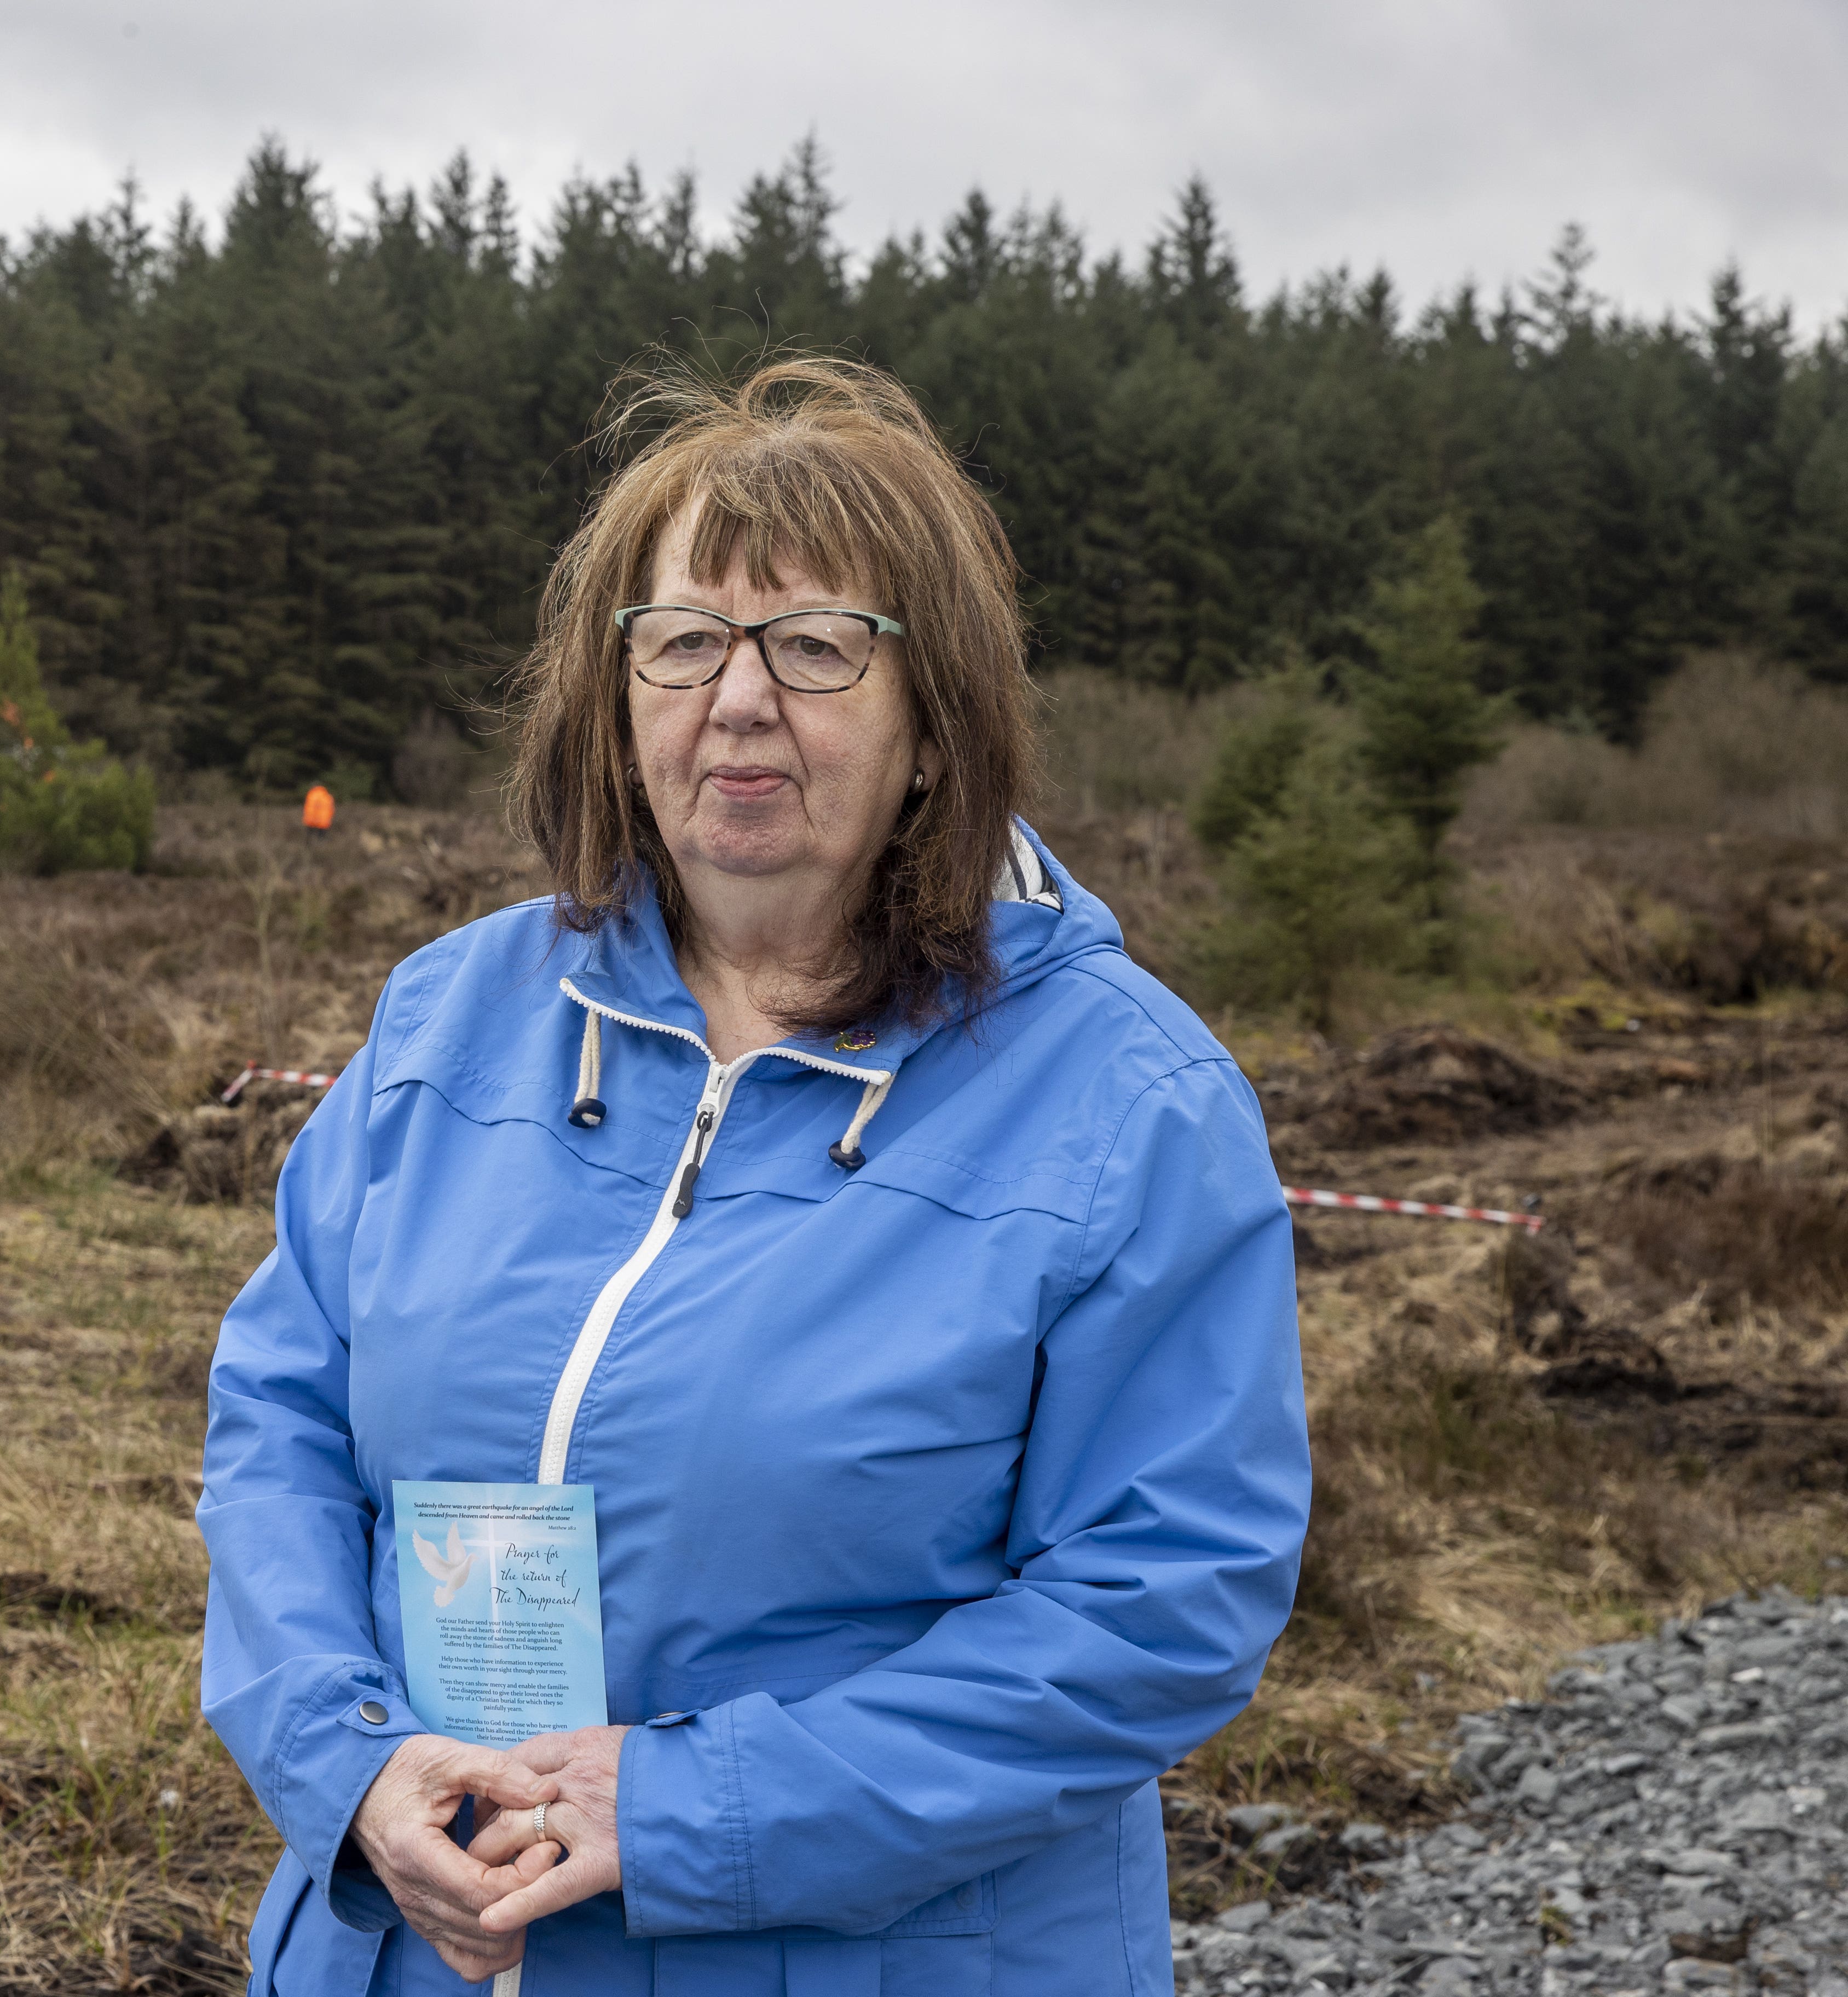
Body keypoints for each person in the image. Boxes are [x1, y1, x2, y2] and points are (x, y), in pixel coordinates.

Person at [198, 356, 1309, 1996]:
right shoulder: (455, 1016)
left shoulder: (1127, 1102)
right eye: (686, 642)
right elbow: (281, 1419)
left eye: (815, 646)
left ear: (939, 717)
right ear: (617, 687)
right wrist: (350, 1762)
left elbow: (1164, 1595)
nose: (737, 699)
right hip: (418, 1949)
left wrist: (696, 1804)